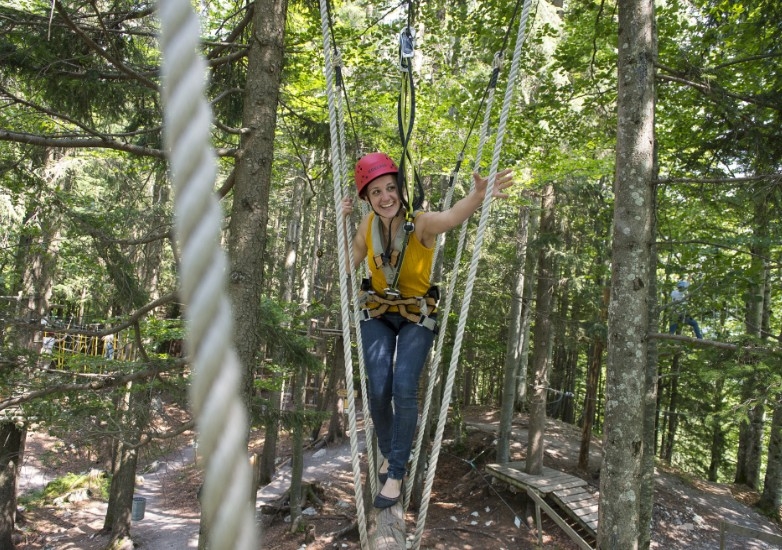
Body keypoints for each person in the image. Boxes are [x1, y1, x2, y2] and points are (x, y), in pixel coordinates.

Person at [341, 152, 514, 508]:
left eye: (391, 188)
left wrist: (477, 196)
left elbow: (451, 217)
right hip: (377, 313)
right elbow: (346, 263)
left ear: (401, 191)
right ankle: (391, 454)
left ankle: (397, 472)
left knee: (404, 386)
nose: (385, 197)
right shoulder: (366, 228)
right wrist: (339, 221)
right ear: (367, 199)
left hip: (415, 316)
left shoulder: (420, 224)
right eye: (376, 192)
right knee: (377, 389)